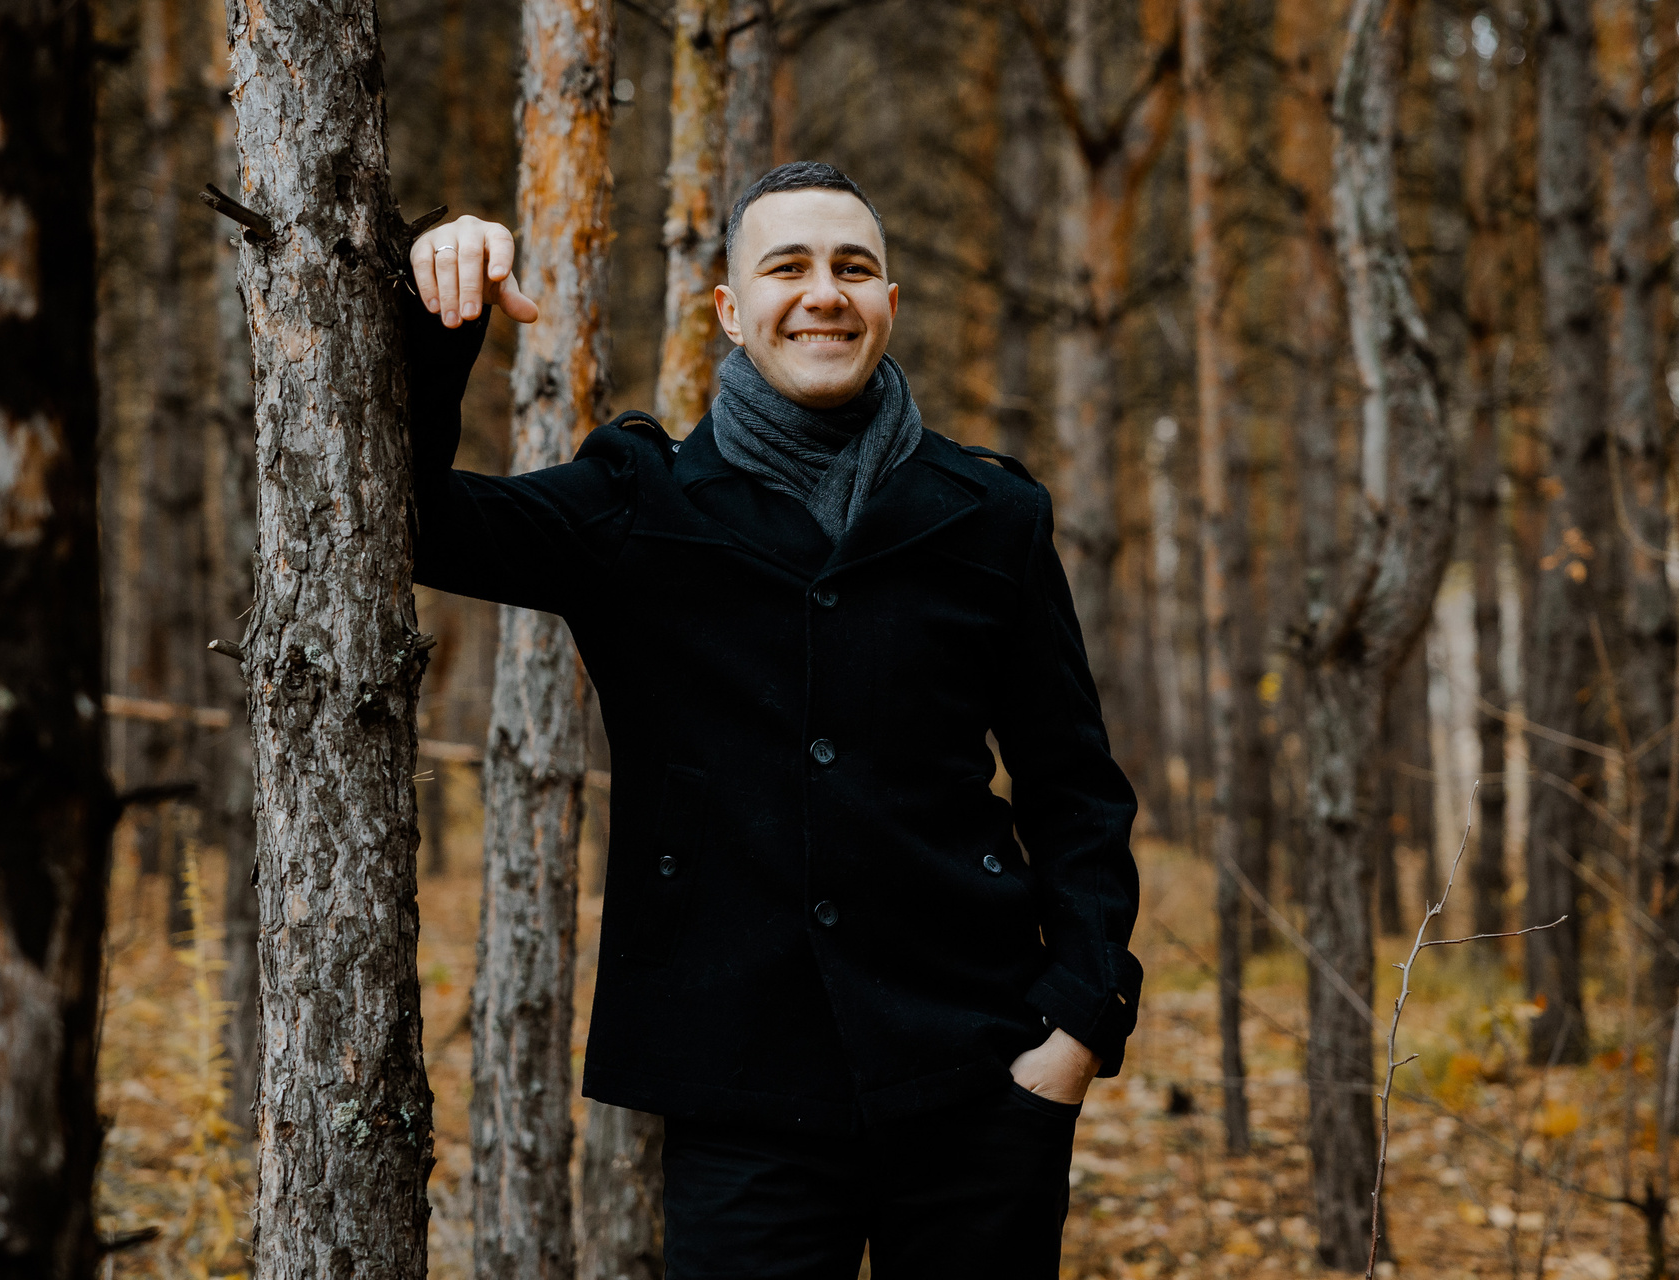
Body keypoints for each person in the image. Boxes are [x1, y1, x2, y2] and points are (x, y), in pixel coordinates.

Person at [404, 161, 1140, 1278]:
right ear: (731, 310)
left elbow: (1074, 787)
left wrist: (1077, 1028)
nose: (824, 293)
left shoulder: (993, 515)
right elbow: (418, 520)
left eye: (855, 268)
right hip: (737, 1090)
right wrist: (439, 312)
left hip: (980, 1078)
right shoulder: (638, 504)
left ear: (890, 301)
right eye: (787, 267)